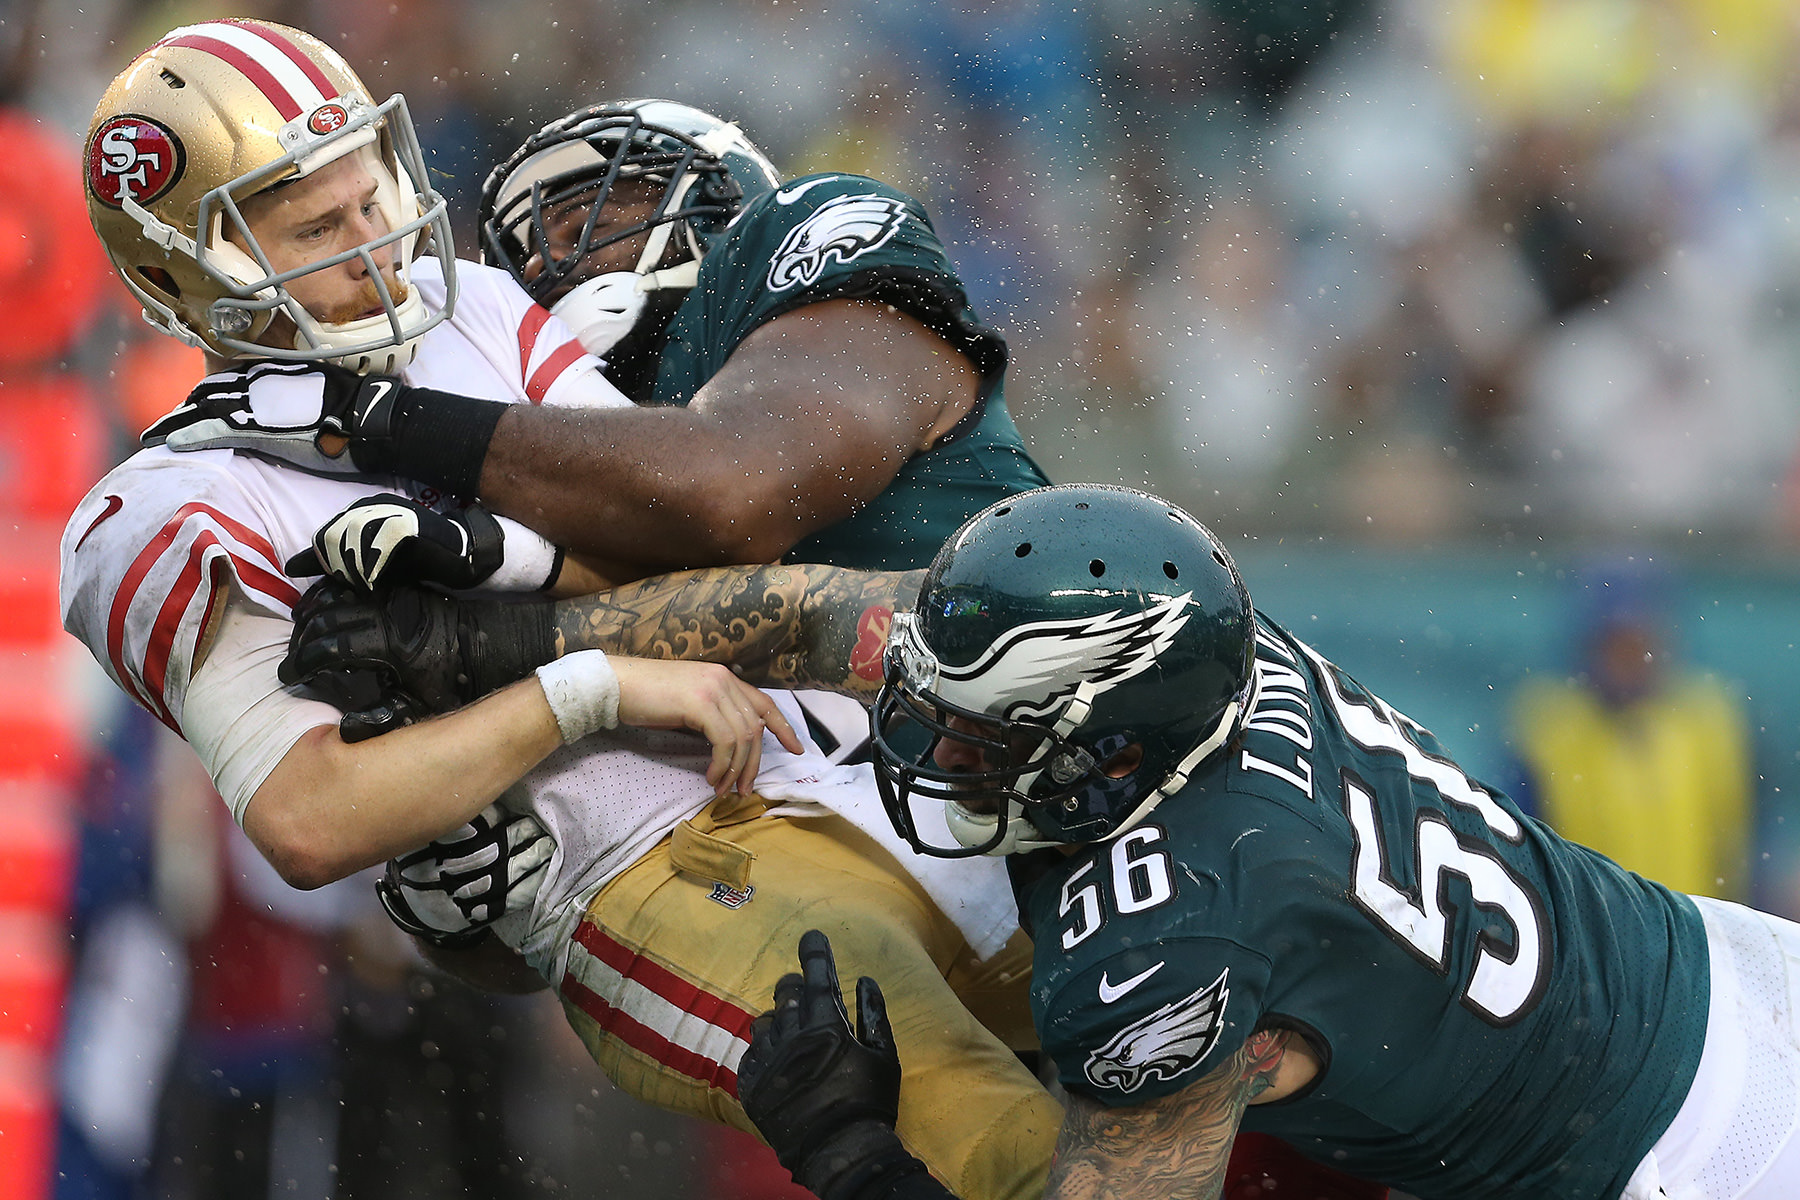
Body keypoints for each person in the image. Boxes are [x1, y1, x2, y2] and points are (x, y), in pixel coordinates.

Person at [64, 22, 1060, 1199]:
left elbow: (674, 539)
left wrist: (486, 557)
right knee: (1006, 1152)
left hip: (825, 758)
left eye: (370, 193)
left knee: (1158, 1026)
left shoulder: (475, 307)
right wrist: (580, 690)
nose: (377, 245)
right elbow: (311, 819)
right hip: (646, 871)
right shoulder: (165, 505)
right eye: (317, 229)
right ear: (184, 273)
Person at [707, 483, 1800, 1200]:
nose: (939, 749)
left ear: (1113, 752)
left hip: (1691, 1160)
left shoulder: (1174, 940)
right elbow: (818, 617)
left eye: (988, 730)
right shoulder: (1209, 656)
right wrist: (601, 677)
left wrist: (850, 1154)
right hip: (1722, 967)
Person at [152, 96, 1052, 574]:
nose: (553, 262)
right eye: (526, 250)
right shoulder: (570, 450)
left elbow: (733, 491)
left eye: (593, 214)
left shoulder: (802, 225)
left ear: (719, 198)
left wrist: (382, 422)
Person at [1509, 559, 1754, 901]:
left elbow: (1741, 839)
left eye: (1638, 644)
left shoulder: (1708, 720)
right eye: (1615, 644)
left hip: (1693, 921)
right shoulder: (1550, 726)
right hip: (1593, 926)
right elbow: (1523, 845)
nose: (1627, 659)